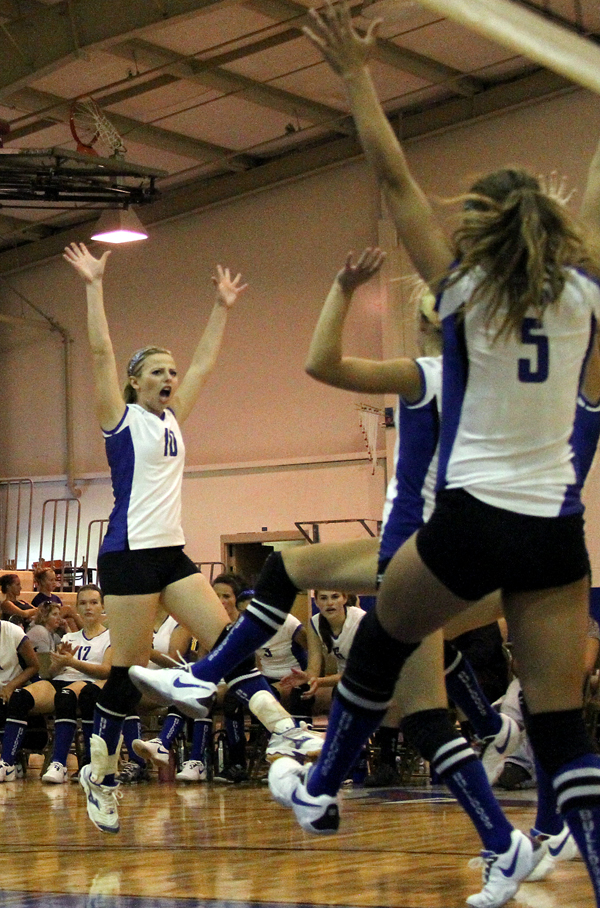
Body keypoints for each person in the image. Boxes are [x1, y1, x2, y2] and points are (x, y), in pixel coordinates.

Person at [266, 6, 600, 908]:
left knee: (381, 640)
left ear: (482, 232)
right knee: (565, 728)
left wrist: (355, 74)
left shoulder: (461, 292)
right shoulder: (584, 293)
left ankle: (320, 787)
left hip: (473, 524)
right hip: (558, 536)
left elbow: (396, 175)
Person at [65, 243, 322, 833]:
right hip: (128, 554)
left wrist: (223, 307)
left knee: (228, 638)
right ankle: (98, 773)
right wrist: (93, 286)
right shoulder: (120, 417)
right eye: (157, 371)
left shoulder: (173, 417)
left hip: (171, 553)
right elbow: (101, 350)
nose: (170, 378)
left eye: (171, 372)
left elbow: (204, 365)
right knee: (126, 672)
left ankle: (282, 724)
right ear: (134, 382)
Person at [0, 583, 111, 784]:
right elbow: (50, 673)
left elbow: (107, 671)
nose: (88, 607)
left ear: (103, 607)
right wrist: (60, 662)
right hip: (60, 681)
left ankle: (59, 763)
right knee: (19, 696)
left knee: (65, 696)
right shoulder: (69, 636)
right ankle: (7, 763)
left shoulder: (110, 636)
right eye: (83, 603)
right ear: (77, 607)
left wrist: (73, 662)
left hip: (89, 684)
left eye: (94, 602)